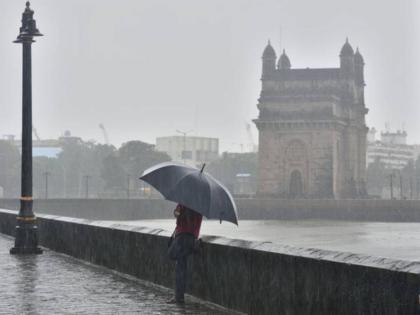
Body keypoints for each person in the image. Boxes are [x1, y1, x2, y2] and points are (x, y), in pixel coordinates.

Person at [167, 204, 203, 304]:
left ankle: (179, 297)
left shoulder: (184, 202)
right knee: (182, 266)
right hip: (192, 237)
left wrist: (178, 212)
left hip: (182, 236)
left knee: (179, 267)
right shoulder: (200, 205)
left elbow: (177, 214)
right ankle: (179, 296)